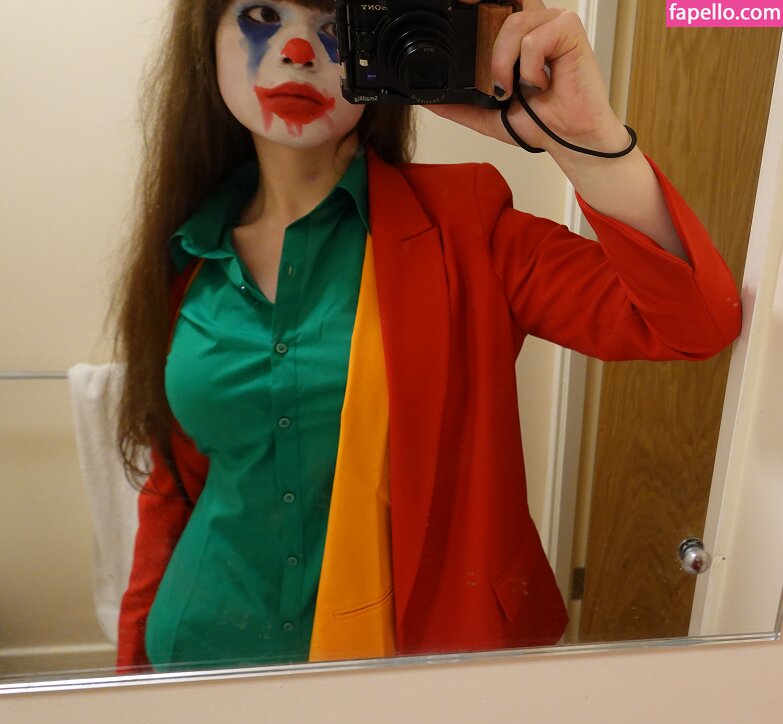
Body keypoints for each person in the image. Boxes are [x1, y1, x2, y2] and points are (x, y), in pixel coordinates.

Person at [113, 0, 742, 672]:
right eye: (264, 12)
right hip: (202, 653)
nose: (297, 52)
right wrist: (125, 682)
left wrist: (583, 134)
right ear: (205, 40)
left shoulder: (467, 227)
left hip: (419, 670)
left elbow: (694, 324)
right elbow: (175, 487)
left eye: (334, 24)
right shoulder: (186, 256)